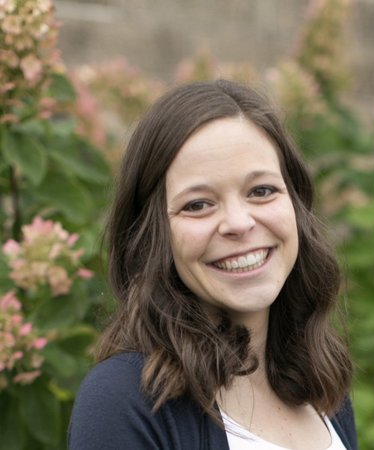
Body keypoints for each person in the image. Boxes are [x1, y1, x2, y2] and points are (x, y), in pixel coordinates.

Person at [68, 79, 357, 450]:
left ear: (295, 204)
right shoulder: (123, 403)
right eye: (198, 204)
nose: (239, 223)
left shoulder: (321, 386)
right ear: (153, 234)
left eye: (261, 191)